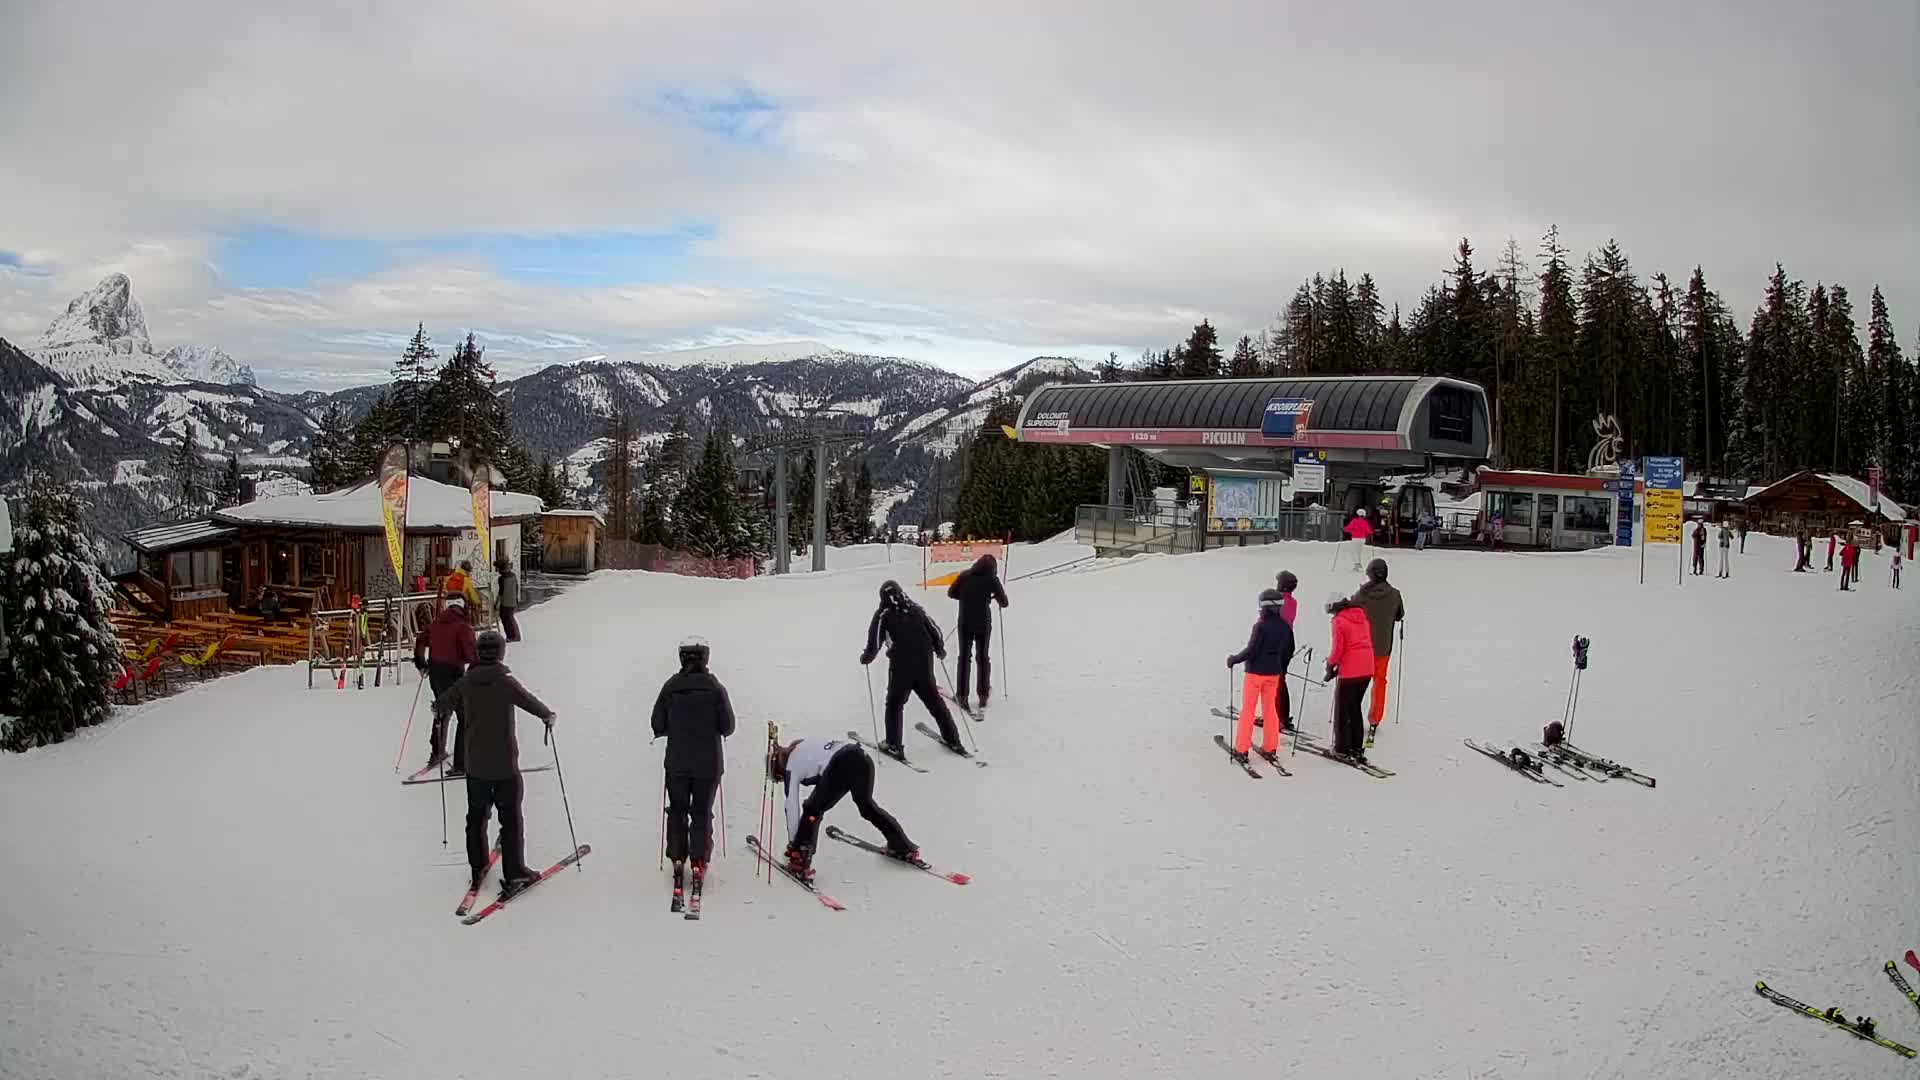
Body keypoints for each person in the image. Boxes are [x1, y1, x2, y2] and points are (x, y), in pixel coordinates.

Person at [432, 629, 554, 900]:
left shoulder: (466, 682)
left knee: (476, 818)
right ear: (500, 653)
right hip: (504, 767)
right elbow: (531, 703)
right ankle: (515, 872)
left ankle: (478, 867)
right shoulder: (506, 682)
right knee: (510, 819)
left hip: (475, 767)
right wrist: (548, 716)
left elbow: (442, 705)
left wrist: (438, 709)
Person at [651, 636, 735, 905]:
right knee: (701, 811)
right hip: (708, 764)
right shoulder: (715, 688)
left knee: (677, 809)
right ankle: (698, 859)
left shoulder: (671, 687)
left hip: (676, 762)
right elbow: (728, 726)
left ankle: (677, 857)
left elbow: (657, 723)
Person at [772, 735, 917, 882]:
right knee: (867, 806)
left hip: (841, 763)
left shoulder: (790, 766)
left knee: (812, 810)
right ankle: (901, 846)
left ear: (778, 766)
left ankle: (799, 861)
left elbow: (791, 808)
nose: (782, 779)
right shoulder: (801, 745)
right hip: (861, 757)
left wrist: (794, 843)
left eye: (779, 777)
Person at [861, 580, 964, 755]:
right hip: (924, 663)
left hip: (901, 666)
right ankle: (953, 739)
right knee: (935, 703)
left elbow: (875, 640)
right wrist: (939, 649)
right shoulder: (916, 609)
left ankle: (894, 744)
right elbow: (935, 631)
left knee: (894, 704)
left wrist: (867, 657)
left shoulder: (883, 614)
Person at [1224, 588, 1295, 763]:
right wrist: (1280, 664)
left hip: (1255, 673)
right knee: (1270, 709)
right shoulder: (1285, 626)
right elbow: (1289, 649)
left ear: (1265, 607)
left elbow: (1252, 650)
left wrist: (1234, 659)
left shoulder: (1261, 626)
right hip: (1273, 673)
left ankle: (1241, 749)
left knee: (1248, 710)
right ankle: (1270, 747)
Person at [414, 596, 478, 773]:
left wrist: (421, 663)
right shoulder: (463, 627)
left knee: (442, 709)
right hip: (455, 673)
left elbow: (420, 641)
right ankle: (461, 763)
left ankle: (437, 751)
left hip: (436, 672)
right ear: (463, 607)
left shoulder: (435, 624)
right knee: (464, 717)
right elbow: (471, 654)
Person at [945, 553, 1009, 711]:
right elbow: (1004, 603)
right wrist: (991, 596)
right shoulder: (992, 579)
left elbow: (951, 593)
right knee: (983, 658)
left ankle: (962, 696)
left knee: (964, 658)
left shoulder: (965, 575)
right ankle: (983, 695)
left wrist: (966, 597)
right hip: (983, 624)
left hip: (965, 622)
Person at [1351, 558, 1404, 738]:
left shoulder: (1363, 594)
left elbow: (1351, 609)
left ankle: (1352, 715)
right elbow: (1399, 615)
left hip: (1362, 647)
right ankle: (1375, 718)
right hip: (1383, 647)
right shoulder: (1395, 594)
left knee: (1357, 682)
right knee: (1380, 682)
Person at [1322, 591, 1375, 762]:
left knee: (1342, 710)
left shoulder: (1339, 621)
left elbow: (1338, 649)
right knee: (1355, 707)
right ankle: (1356, 747)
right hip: (1367, 667)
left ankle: (1342, 749)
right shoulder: (1361, 616)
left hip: (1351, 671)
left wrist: (1330, 666)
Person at [495, 559, 523, 643]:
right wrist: (516, 598)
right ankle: (514, 635)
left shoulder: (502, 578)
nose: (497, 571)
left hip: (505, 602)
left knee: (506, 618)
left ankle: (512, 636)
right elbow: (517, 587)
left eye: (498, 568)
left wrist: (497, 603)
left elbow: (501, 592)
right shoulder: (513, 575)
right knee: (510, 618)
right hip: (513, 600)